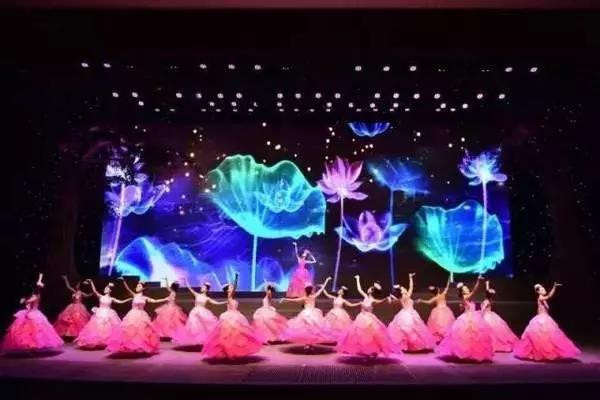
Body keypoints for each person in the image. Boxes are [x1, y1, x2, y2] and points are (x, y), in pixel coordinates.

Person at [201, 273, 263, 359]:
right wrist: (236, 278)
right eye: (230, 287)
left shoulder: (231, 297)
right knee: (230, 334)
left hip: (235, 315)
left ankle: (232, 351)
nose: (231, 288)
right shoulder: (229, 296)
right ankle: (228, 351)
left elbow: (234, 289)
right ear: (228, 290)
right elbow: (234, 288)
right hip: (230, 317)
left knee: (236, 335)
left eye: (231, 287)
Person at [335, 275, 399, 359]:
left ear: (371, 291)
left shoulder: (373, 300)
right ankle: (364, 350)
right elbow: (359, 289)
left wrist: (388, 298)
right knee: (359, 335)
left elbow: (381, 301)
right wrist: (357, 279)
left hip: (369, 320)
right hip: (361, 318)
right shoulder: (365, 297)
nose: (368, 289)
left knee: (369, 336)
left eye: (370, 288)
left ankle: (371, 351)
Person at [514, 282, 580, 361]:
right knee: (542, 336)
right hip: (541, 320)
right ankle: (541, 353)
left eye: (543, 288)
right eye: (541, 289)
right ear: (538, 292)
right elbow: (549, 296)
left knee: (548, 336)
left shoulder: (542, 298)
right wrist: (554, 287)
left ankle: (549, 353)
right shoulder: (540, 297)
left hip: (545, 318)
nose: (544, 290)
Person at [1, 273, 64, 354]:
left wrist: (24, 300)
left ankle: (32, 347)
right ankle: (32, 348)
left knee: (33, 332)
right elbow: (33, 293)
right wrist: (40, 277)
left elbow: (30, 300)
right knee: (31, 332)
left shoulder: (36, 296)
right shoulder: (36, 295)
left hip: (33, 314)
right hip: (32, 313)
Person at [436, 276, 494, 362]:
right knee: (467, 336)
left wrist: (463, 306)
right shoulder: (466, 297)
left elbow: (463, 307)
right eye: (465, 288)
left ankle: (472, 353)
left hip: (473, 316)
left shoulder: (466, 298)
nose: (467, 289)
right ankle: (466, 353)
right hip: (468, 318)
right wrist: (478, 280)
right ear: (463, 291)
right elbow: (474, 290)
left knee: (474, 337)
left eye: (466, 288)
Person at [107, 278, 168, 355]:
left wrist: (165, 298)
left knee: (142, 332)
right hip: (132, 315)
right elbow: (128, 289)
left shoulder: (145, 298)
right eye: (137, 286)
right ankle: (129, 346)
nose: (137, 287)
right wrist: (124, 281)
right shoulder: (134, 295)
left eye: (139, 286)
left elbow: (155, 300)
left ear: (143, 288)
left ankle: (141, 346)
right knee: (130, 330)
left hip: (142, 316)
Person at [387, 273, 436, 352]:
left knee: (411, 329)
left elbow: (410, 288)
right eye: (403, 288)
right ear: (402, 291)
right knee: (409, 329)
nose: (404, 288)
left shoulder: (404, 296)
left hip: (409, 313)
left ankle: (408, 346)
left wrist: (410, 278)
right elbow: (410, 288)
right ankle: (410, 345)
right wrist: (410, 278)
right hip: (408, 314)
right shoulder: (405, 296)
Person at [281, 277, 334, 350]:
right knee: (311, 329)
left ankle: (308, 344)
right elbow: (321, 289)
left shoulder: (306, 297)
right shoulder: (312, 296)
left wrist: (285, 299)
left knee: (308, 329)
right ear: (311, 290)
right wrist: (326, 280)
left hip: (306, 313)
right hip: (312, 313)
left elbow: (295, 300)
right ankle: (309, 344)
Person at [75, 279, 130, 349]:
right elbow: (95, 291)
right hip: (100, 313)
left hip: (108, 314)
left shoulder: (111, 299)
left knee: (108, 328)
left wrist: (128, 300)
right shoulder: (101, 296)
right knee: (98, 327)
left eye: (106, 289)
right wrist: (91, 282)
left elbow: (120, 302)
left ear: (110, 291)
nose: (105, 289)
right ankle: (97, 341)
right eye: (105, 289)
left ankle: (107, 341)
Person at [172, 278, 224, 348]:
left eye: (203, 287)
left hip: (203, 312)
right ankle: (195, 342)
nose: (202, 288)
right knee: (194, 326)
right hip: (195, 312)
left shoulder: (207, 298)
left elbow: (216, 303)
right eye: (202, 287)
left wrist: (224, 302)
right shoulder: (197, 295)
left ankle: (203, 341)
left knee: (203, 326)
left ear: (206, 289)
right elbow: (190, 288)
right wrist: (186, 281)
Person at [480, 280, 518, 352]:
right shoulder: (489, 300)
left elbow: (483, 309)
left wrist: (480, 315)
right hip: (490, 315)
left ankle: (491, 344)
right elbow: (487, 291)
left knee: (491, 330)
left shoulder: (486, 301)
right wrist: (487, 284)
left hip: (487, 315)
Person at [416, 274, 455, 343]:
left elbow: (428, 302)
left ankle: (441, 337)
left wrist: (421, 300)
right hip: (444, 310)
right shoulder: (442, 295)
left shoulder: (435, 298)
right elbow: (447, 287)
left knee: (439, 323)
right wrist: (448, 281)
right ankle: (445, 337)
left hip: (438, 310)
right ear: (438, 290)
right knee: (445, 323)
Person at [53, 275, 92, 339]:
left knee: (78, 320)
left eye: (78, 285)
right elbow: (68, 286)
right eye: (76, 285)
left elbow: (88, 295)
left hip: (79, 307)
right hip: (72, 306)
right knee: (69, 319)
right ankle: (68, 333)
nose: (76, 286)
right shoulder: (74, 291)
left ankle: (79, 334)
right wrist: (66, 279)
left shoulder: (81, 293)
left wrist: (91, 289)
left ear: (79, 286)